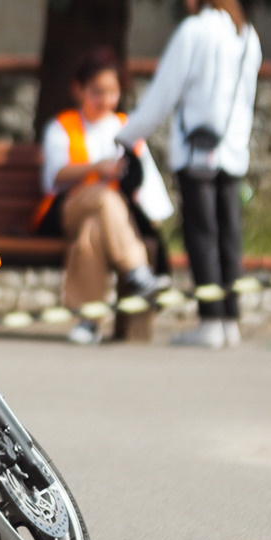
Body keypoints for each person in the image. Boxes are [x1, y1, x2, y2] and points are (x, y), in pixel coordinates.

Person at [118, 0, 262, 350]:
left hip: (197, 152)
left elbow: (163, 93)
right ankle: (230, 319)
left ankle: (211, 321)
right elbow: (247, 101)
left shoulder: (195, 30)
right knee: (229, 235)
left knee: (202, 234)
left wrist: (127, 134)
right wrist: (238, 145)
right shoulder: (247, 35)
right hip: (232, 152)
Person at [34, 50, 171, 346]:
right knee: (103, 198)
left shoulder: (126, 125)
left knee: (92, 232)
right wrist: (96, 169)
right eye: (97, 92)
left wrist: (153, 217)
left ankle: (88, 320)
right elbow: (53, 178)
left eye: (112, 91)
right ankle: (136, 268)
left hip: (108, 219)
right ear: (79, 90)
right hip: (67, 209)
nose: (106, 100)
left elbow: (146, 177)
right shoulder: (63, 126)